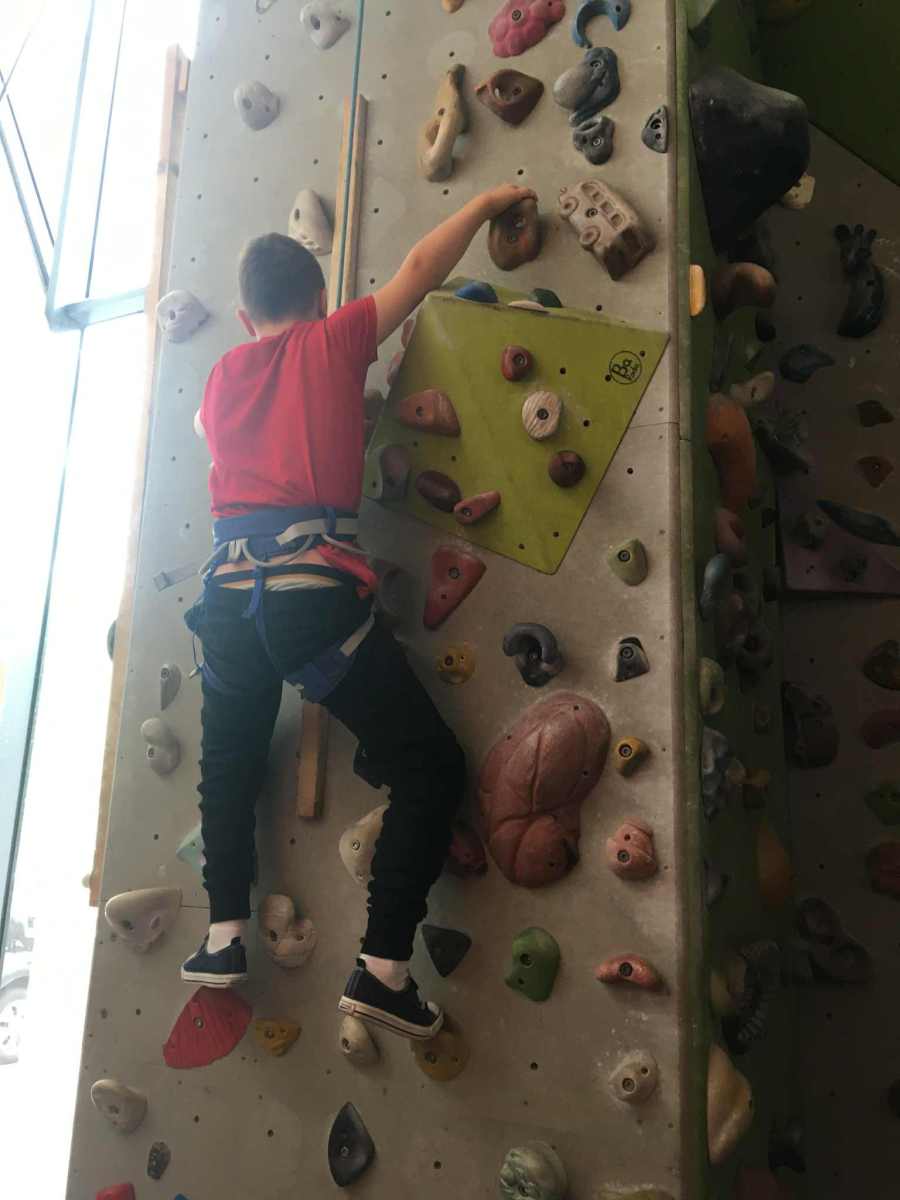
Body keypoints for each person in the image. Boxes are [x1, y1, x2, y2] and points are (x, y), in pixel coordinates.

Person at [180, 183, 536, 1040]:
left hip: (226, 600)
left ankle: (224, 938)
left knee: (229, 769)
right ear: (318, 299)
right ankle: (382, 970)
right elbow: (420, 268)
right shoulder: (335, 339)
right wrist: (486, 202)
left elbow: (207, 432)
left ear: (243, 317)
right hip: (309, 605)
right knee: (430, 768)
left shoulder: (220, 380)